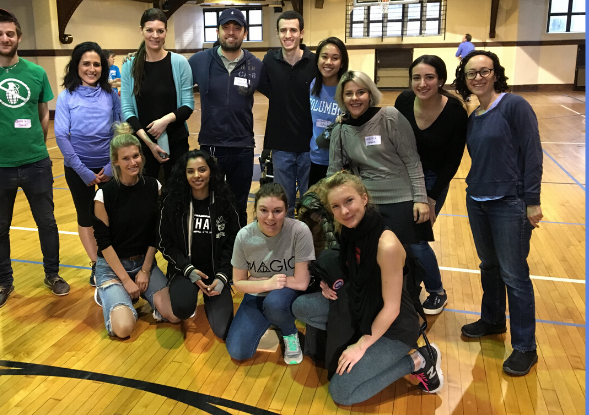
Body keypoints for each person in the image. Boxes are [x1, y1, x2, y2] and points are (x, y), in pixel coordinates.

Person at [292, 171, 443, 405]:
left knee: (341, 392)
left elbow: (392, 309)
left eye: (349, 201)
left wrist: (360, 346)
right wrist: (326, 283)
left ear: (364, 198)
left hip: (394, 327)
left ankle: (420, 359)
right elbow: (348, 271)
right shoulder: (348, 229)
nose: (344, 211)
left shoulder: (387, 244)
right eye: (336, 206)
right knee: (302, 307)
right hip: (362, 307)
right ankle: (361, 343)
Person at [0, 8, 70, 310]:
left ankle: (52, 274)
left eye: (10, 33)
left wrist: (37, 142)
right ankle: (4, 282)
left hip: (36, 163)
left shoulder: (36, 73)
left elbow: (43, 111)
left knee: (47, 222)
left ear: (18, 36)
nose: (5, 38)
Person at [453, 50, 543, 377]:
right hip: (477, 199)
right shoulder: (474, 115)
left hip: (509, 202)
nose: (478, 77)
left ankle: (525, 347)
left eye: (484, 71)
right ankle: (492, 320)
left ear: (495, 73)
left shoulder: (514, 106)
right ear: (464, 79)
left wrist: (532, 200)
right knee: (489, 266)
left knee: (514, 275)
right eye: (471, 73)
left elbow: (532, 154)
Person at [326, 71, 432, 260]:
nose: (355, 98)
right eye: (348, 93)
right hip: (366, 203)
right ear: (342, 98)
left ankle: (435, 290)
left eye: (361, 92)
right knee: (373, 257)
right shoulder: (340, 130)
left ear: (370, 94)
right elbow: (332, 173)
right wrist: (332, 207)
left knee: (407, 258)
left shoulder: (389, 117)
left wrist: (421, 199)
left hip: (401, 199)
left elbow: (412, 160)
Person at [393, 55, 467, 315]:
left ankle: (437, 290)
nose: (422, 83)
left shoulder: (455, 112)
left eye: (429, 77)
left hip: (434, 178)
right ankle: (410, 284)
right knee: (399, 237)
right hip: (402, 175)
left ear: (441, 80)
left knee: (416, 239)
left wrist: (431, 198)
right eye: (416, 77)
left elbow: (453, 161)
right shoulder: (403, 101)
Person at [91, 123, 179, 338]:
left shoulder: (153, 187)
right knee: (123, 329)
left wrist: (145, 270)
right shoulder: (104, 195)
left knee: (175, 315)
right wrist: (127, 280)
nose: (133, 162)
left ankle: (128, 295)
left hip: (143, 263)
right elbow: (104, 243)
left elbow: (155, 233)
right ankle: (107, 293)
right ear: (116, 163)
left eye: (136, 156)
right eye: (126, 158)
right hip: (113, 268)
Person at [189, 8, 267, 224]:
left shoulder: (256, 65)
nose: (231, 32)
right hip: (210, 145)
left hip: (242, 147)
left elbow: (281, 95)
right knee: (208, 203)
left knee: (238, 205)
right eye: (226, 27)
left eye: (237, 28)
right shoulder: (199, 61)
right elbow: (172, 79)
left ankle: (237, 252)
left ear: (245, 33)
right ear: (217, 32)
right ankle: (212, 252)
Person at [55, 41, 122, 286]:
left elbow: (119, 130)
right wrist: (83, 170)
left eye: (96, 64)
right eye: (86, 64)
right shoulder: (66, 97)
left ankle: (113, 260)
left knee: (110, 217)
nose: (91, 69)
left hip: (109, 168)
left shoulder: (110, 95)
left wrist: (110, 165)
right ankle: (96, 264)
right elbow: (62, 135)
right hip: (77, 169)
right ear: (76, 66)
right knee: (86, 217)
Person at [226, 183, 315, 365]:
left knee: (275, 303)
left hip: (286, 294)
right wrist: (268, 284)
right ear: (255, 210)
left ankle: (289, 331)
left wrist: (260, 281)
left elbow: (301, 283)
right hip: (258, 294)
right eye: (264, 210)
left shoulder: (299, 231)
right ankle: (274, 317)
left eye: (277, 211)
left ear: (287, 210)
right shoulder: (244, 236)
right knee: (238, 351)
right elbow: (238, 283)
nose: (270, 218)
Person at [158, 150, 243, 339]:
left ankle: (211, 294)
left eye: (202, 170)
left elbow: (236, 242)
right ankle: (176, 294)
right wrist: (187, 269)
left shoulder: (225, 201)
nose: (197, 176)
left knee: (223, 330)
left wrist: (222, 276)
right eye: (191, 171)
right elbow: (165, 243)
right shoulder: (173, 202)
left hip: (215, 273)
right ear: (184, 174)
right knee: (181, 308)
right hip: (185, 271)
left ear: (211, 171)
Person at [121, 8, 194, 184]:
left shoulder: (179, 63)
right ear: (141, 31)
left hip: (176, 143)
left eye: (160, 31)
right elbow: (127, 109)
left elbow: (188, 105)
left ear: (166, 32)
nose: (155, 35)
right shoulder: (129, 65)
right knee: (148, 199)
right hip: (143, 146)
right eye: (149, 30)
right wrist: (150, 144)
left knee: (176, 196)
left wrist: (164, 121)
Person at [261, 11, 319, 218]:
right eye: (283, 30)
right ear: (278, 33)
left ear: (302, 33)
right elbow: (267, 89)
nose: (288, 35)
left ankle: (311, 245)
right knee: (283, 204)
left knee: (311, 205)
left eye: (293, 30)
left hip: (310, 146)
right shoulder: (269, 60)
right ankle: (287, 245)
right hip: (281, 145)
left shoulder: (315, 62)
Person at [308, 37, 348, 188]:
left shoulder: (348, 89)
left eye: (335, 58)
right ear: (317, 60)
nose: (329, 62)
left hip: (341, 162)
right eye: (324, 57)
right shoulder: (313, 85)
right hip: (316, 158)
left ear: (342, 62)